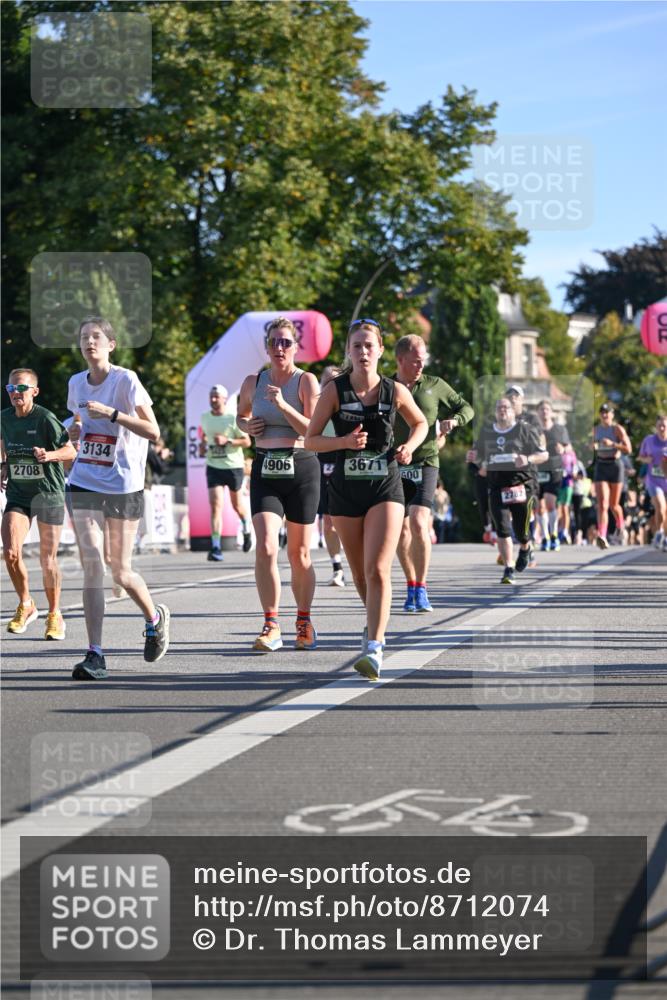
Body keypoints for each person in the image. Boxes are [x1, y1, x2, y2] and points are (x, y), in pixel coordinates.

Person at [305, 318, 427, 680]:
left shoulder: (394, 391)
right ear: (349, 351)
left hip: (384, 487)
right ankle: (374, 620)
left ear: (380, 351)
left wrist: (409, 446)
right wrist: (342, 442)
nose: (363, 352)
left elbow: (420, 423)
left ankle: (374, 646)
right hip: (345, 488)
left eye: (369, 346)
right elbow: (311, 440)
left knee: (377, 569)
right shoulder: (334, 391)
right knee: (359, 574)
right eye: (356, 346)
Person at [66, 317, 171, 680]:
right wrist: (75, 428)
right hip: (83, 481)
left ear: (111, 344)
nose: (89, 342)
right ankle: (95, 653)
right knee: (93, 566)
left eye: (96, 337)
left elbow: (153, 430)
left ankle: (154, 618)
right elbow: (77, 423)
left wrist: (112, 413)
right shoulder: (76, 383)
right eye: (84, 337)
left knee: (120, 569)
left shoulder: (125, 380)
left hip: (123, 484)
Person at [237, 317, 320, 653]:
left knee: (299, 554)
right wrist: (248, 425)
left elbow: (312, 428)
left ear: (296, 347)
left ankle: (304, 621)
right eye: (275, 342)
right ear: (267, 346)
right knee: (267, 546)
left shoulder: (306, 381)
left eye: (287, 342)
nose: (280, 348)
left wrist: (282, 405)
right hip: (265, 468)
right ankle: (271, 623)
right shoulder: (253, 381)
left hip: (300, 466)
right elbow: (240, 415)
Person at [393, 335, 473, 612]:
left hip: (426, 461)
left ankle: (422, 588)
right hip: (396, 464)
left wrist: (455, 420)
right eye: (415, 361)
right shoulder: (387, 387)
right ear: (400, 360)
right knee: (401, 530)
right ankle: (411, 584)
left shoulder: (435, 385)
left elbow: (467, 407)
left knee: (418, 522)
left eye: (423, 360)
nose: (420, 366)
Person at [1, 368, 76, 639]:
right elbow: (3, 442)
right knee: (10, 552)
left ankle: (55, 614)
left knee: (47, 559)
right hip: (19, 494)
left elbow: (71, 450)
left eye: (21, 389)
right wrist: (3, 464)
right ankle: (26, 604)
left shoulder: (45, 418)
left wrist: (50, 454)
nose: (15, 394)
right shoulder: (5, 418)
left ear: (34, 391)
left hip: (48, 493)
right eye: (11, 389)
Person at [472, 396, 547, 584]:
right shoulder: (487, 432)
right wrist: (474, 459)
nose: (502, 410)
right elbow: (478, 455)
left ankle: (525, 548)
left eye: (506, 407)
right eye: (499, 407)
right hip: (497, 487)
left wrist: (528, 459)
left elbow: (543, 454)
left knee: (521, 531)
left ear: (514, 411)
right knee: (503, 529)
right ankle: (509, 568)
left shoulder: (524, 429)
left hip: (522, 486)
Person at [199, 384, 252, 561]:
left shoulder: (232, 418)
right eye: (211, 396)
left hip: (233, 466)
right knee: (216, 506)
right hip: (213, 466)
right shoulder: (204, 418)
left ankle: (246, 529)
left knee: (237, 506)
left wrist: (227, 440)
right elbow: (203, 440)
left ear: (224, 399)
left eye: (216, 396)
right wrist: (202, 446)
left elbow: (247, 442)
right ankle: (215, 547)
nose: (213, 399)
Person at [316, 366, 346, 587]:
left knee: (351, 519)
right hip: (323, 459)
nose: (329, 385)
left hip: (346, 457)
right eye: (325, 381)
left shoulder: (348, 401)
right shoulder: (314, 403)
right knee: (329, 522)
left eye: (333, 381)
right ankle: (337, 567)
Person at [593, 403, 632, 549]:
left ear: (612, 414)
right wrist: (592, 446)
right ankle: (602, 535)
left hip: (615, 465)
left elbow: (628, 448)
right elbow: (589, 447)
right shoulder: (596, 430)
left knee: (614, 505)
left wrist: (613, 444)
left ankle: (621, 526)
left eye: (607, 412)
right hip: (601, 465)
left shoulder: (617, 429)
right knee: (602, 504)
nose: (604, 415)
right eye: (602, 412)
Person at [536, 399, 572, 552]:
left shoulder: (559, 429)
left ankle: (554, 534)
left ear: (551, 412)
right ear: (537, 412)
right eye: (542, 409)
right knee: (539, 507)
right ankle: (545, 537)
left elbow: (569, 447)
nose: (544, 412)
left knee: (551, 504)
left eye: (547, 409)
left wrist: (563, 450)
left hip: (554, 469)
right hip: (537, 469)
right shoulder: (534, 429)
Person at [638, 414, 667, 551]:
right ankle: (659, 532)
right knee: (660, 507)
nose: (661, 428)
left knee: (666, 511)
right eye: (659, 425)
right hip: (654, 480)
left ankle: (665, 537)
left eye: (664, 425)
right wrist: (646, 460)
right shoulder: (649, 440)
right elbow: (641, 457)